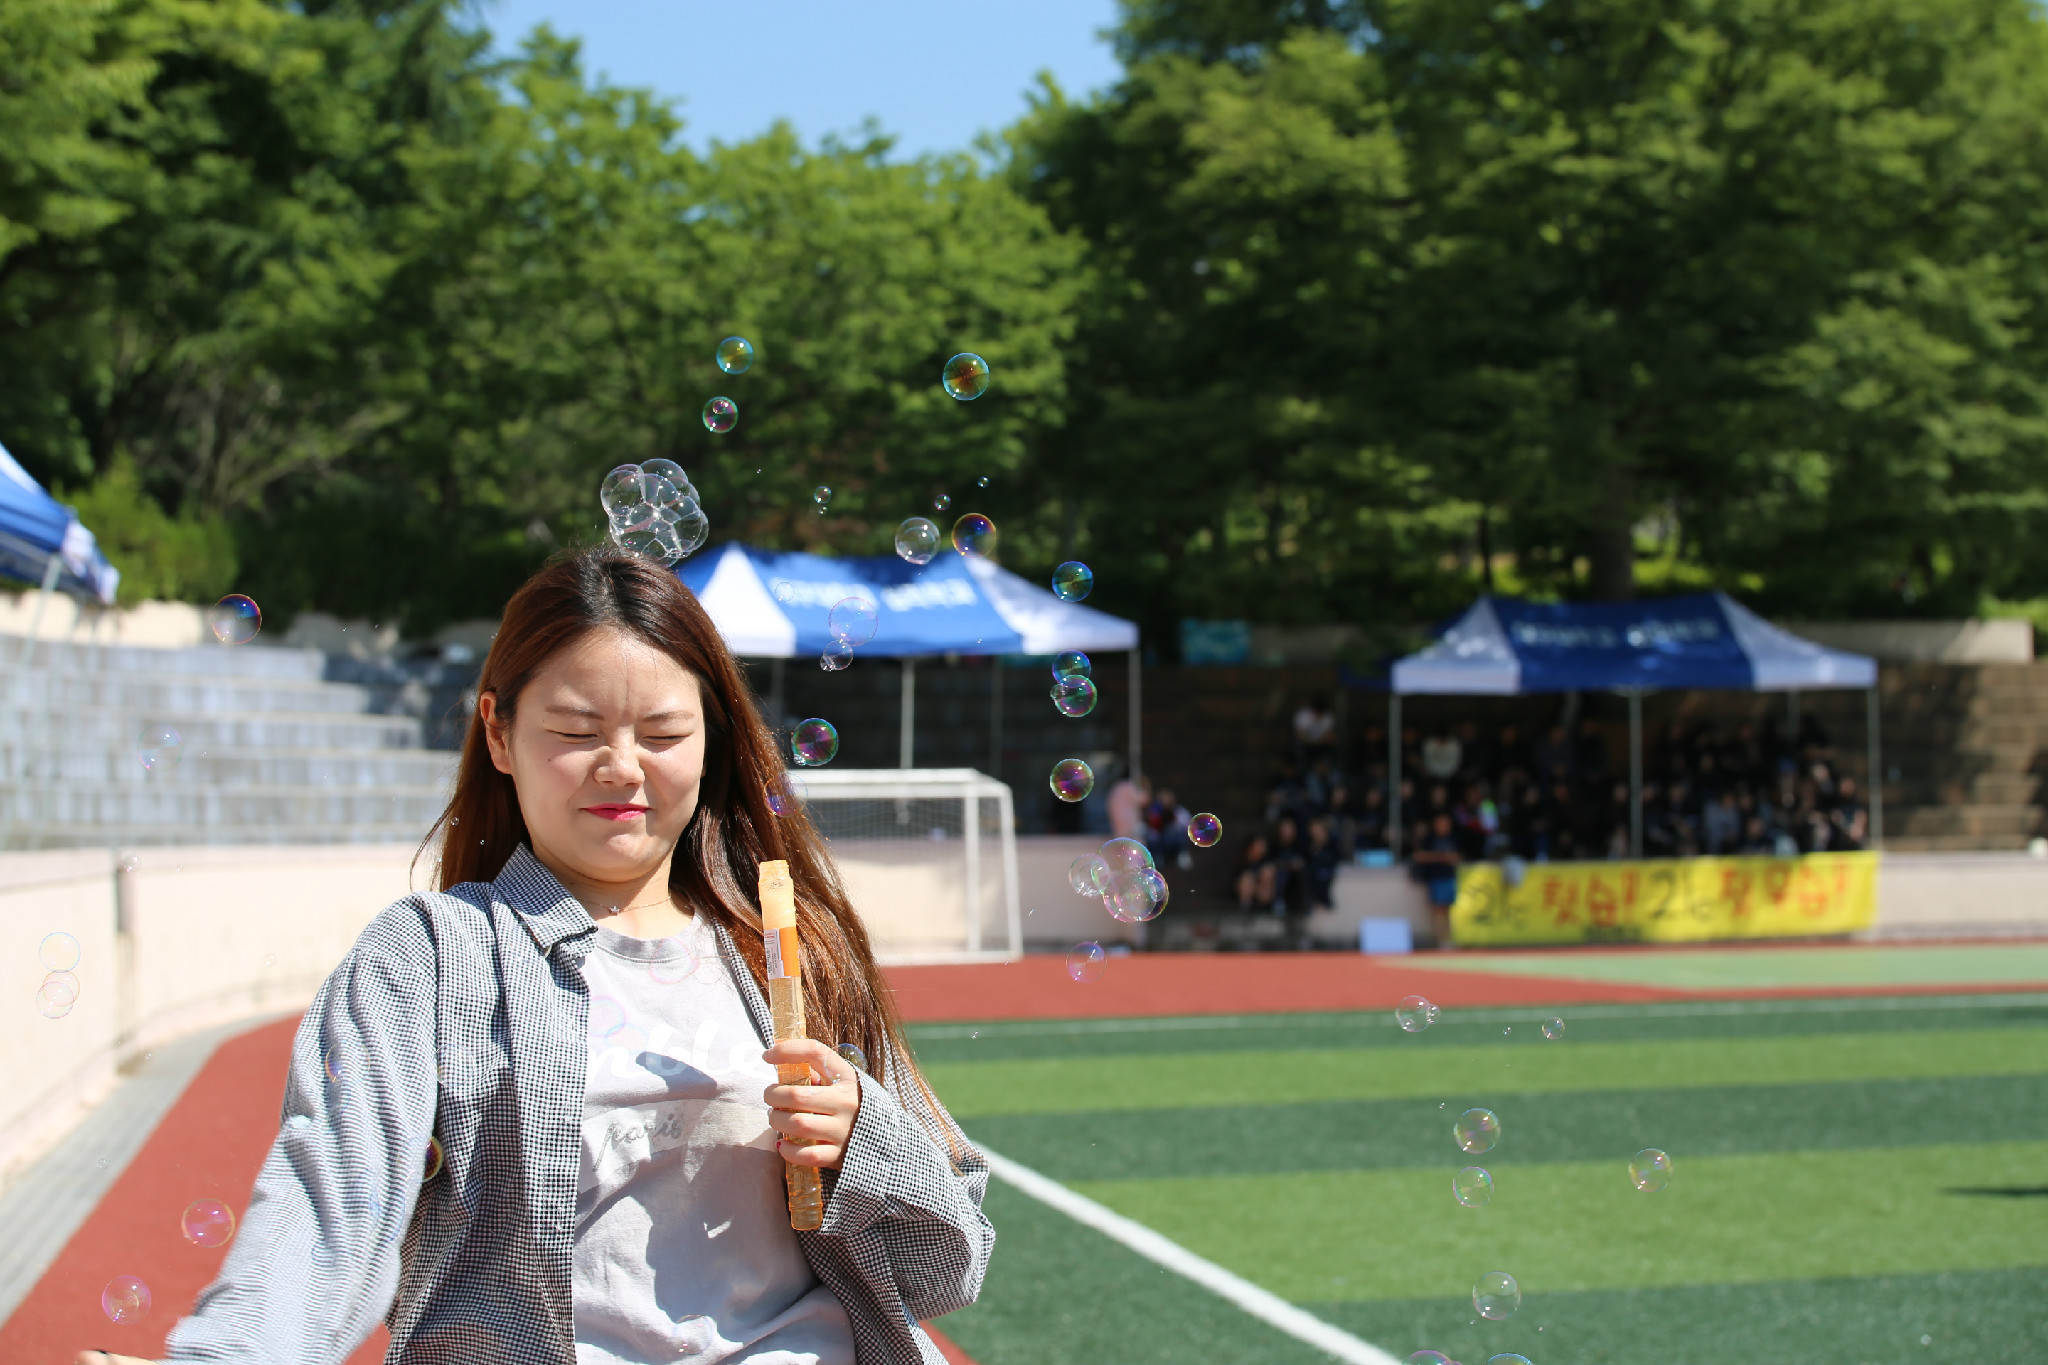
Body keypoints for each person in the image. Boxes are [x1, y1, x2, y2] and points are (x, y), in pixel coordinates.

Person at [80, 548, 990, 1365]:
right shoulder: (430, 957)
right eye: (577, 731)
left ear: (712, 738)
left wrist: (865, 1140)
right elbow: (331, 1200)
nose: (622, 766)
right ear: (498, 731)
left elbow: (948, 1266)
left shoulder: (795, 952)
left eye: (663, 734)